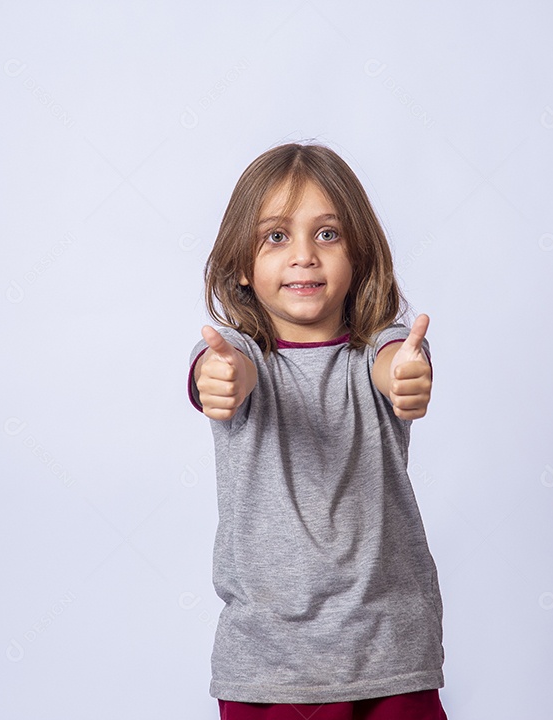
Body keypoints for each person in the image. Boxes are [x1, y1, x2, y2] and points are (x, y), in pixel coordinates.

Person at [186, 142, 448, 720]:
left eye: (326, 234)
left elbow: (394, 363)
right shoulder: (239, 355)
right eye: (276, 236)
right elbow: (227, 369)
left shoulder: (382, 347)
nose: (303, 256)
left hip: (391, 652)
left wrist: (408, 373)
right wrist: (219, 376)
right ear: (240, 266)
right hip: (270, 666)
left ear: (359, 253)